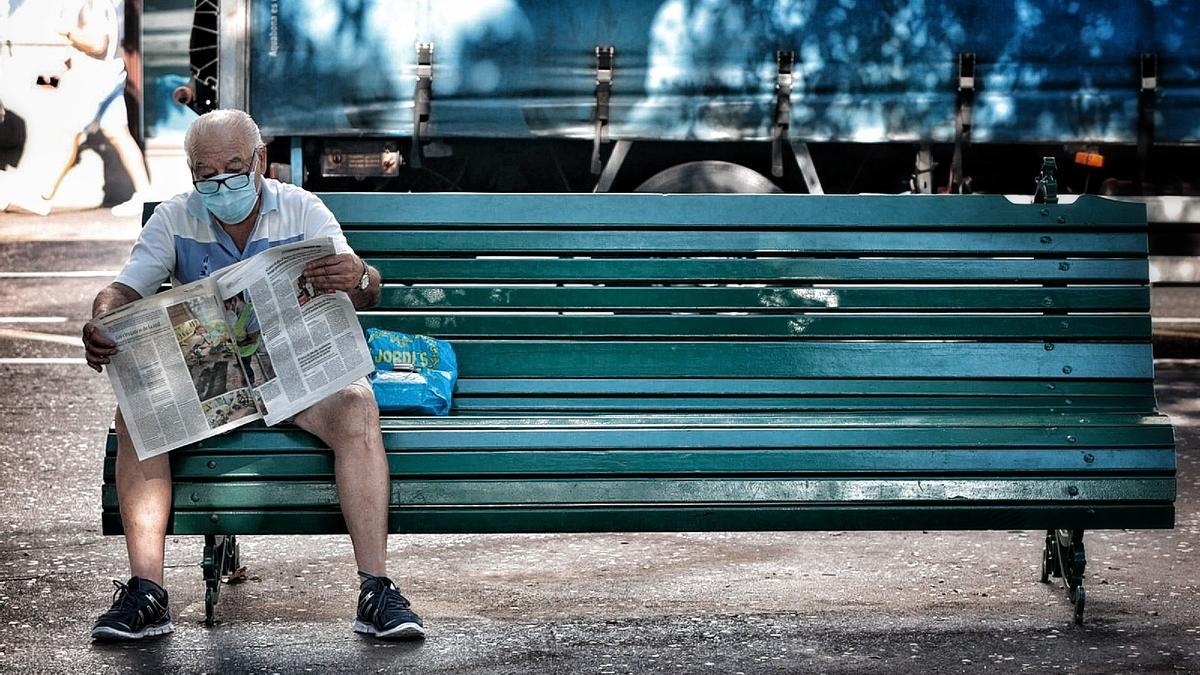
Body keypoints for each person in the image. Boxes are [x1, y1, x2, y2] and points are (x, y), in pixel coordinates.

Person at [81, 109, 423, 642]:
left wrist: (360, 275)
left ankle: (376, 588)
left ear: (261, 161)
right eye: (206, 174)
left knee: (357, 405)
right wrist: (102, 315)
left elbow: (364, 286)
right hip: (215, 382)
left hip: (294, 378)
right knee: (136, 416)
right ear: (191, 172)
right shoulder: (175, 218)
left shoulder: (301, 208)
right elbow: (124, 289)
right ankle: (147, 592)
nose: (221, 185)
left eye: (235, 170)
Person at [16, 0, 151, 216]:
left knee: (71, 136)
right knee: (118, 134)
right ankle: (146, 195)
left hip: (93, 82)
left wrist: (68, 32)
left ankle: (42, 198)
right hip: (109, 74)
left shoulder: (93, 3)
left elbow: (98, 44)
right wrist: (61, 68)